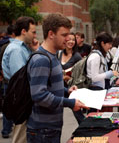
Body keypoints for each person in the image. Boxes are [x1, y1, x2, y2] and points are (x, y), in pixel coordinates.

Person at [26, 13, 87, 143]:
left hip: (49, 129)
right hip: (42, 130)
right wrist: (70, 103)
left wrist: (67, 91)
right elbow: (39, 95)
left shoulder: (52, 56)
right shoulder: (41, 59)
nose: (68, 39)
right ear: (51, 34)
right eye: (64, 35)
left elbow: (51, 88)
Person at [2, 17, 36, 142]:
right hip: (21, 101)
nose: (35, 35)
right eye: (33, 32)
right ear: (23, 31)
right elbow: (21, 80)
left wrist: (34, 50)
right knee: (20, 137)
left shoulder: (23, 48)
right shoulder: (16, 50)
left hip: (22, 100)